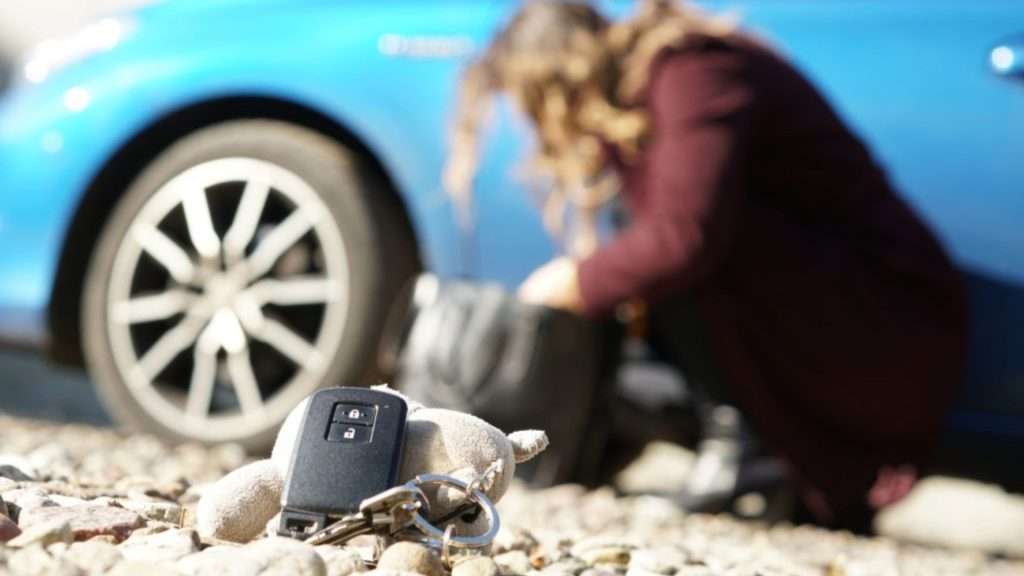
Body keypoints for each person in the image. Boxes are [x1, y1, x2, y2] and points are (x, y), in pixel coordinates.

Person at [445, 0, 966, 533]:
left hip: (888, 326)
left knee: (670, 248)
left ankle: (752, 460)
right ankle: (749, 455)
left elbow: (685, 237)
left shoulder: (693, 72)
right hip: (842, 321)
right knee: (644, 254)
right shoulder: (652, 92)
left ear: (563, 80)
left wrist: (573, 282)